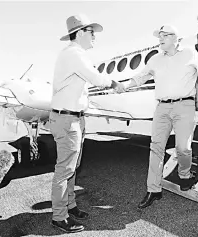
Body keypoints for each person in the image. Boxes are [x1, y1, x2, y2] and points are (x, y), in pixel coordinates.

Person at [123, 25, 198, 209]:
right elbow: (140, 77)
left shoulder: (189, 53)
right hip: (162, 108)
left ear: (176, 38)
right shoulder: (156, 59)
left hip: (185, 106)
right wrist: (124, 85)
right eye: (160, 36)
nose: (160, 38)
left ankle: (184, 175)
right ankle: (153, 189)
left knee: (183, 148)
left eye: (165, 35)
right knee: (156, 147)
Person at [49, 14, 125, 233]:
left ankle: (70, 205)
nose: (95, 37)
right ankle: (59, 217)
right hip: (67, 119)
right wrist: (114, 83)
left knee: (73, 167)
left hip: (75, 118)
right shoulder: (73, 53)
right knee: (65, 169)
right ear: (80, 32)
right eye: (92, 32)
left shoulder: (75, 54)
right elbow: (95, 77)